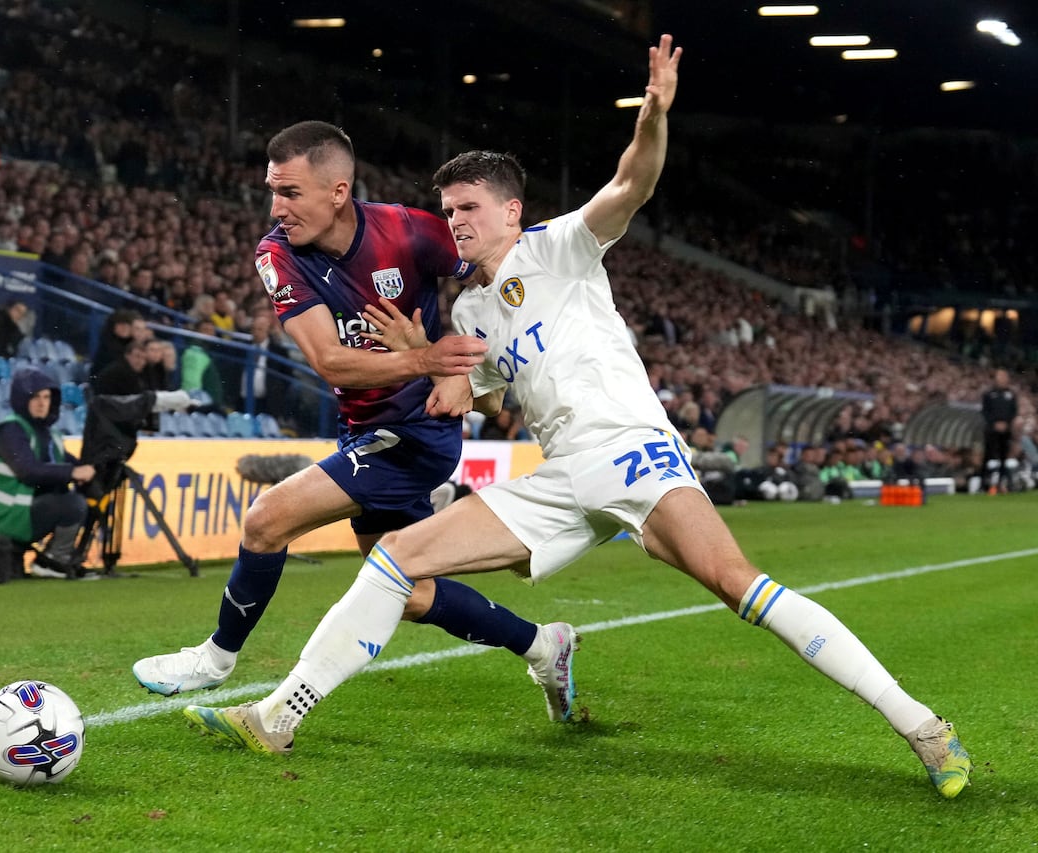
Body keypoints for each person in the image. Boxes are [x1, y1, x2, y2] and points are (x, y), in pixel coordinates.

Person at [179, 36, 973, 801]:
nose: (455, 222)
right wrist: (426, 357)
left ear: (512, 210)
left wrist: (652, 116)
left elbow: (632, 185)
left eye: (470, 207)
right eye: (447, 210)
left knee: (742, 587)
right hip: (561, 476)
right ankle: (278, 716)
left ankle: (922, 725)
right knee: (396, 558)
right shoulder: (472, 310)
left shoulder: (558, 247)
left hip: (630, 451)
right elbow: (471, 398)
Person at [133, 120, 572, 719]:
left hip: (417, 431)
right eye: (273, 191)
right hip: (363, 429)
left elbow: (498, 269)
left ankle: (215, 658)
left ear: (338, 191)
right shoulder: (277, 254)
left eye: (290, 193)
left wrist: (474, 368)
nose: (276, 208)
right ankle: (543, 644)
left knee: (266, 520)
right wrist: (426, 358)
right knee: (409, 592)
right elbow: (328, 360)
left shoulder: (407, 230)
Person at [0, 367, 97, 578]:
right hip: (9, 514)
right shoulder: (10, 430)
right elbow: (28, 471)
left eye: (46, 397)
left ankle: (63, 556)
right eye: (35, 397)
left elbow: (69, 463)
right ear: (22, 399)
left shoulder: (49, 434)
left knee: (89, 496)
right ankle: (54, 559)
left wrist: (89, 470)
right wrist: (73, 472)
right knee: (72, 504)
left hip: (26, 508)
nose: (42, 403)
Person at [981, 368, 1017, 495]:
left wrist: (1006, 423)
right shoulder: (988, 394)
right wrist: (994, 423)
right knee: (988, 456)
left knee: (1003, 457)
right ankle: (984, 483)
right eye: (1000, 376)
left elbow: (1013, 411)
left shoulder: (1011, 394)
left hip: (1006, 430)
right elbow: (985, 411)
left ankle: (1002, 483)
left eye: (1004, 376)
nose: (1002, 379)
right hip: (991, 430)